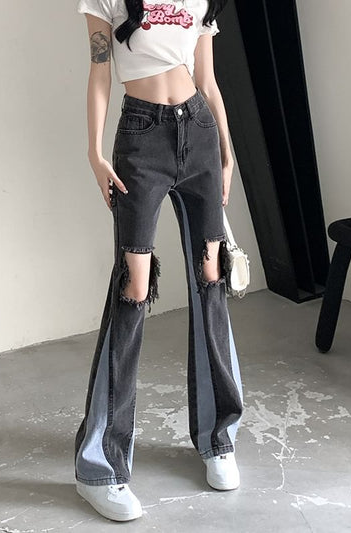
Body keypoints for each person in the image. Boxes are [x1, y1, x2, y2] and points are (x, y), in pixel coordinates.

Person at [74, 0, 244, 521]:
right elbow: (100, 71)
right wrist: (94, 151)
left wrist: (227, 151)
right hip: (141, 136)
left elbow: (207, 80)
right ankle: (100, 465)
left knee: (211, 275)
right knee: (134, 284)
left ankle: (218, 437)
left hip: (199, 132)